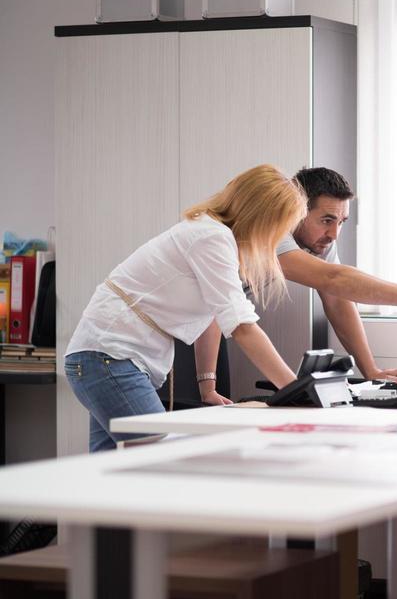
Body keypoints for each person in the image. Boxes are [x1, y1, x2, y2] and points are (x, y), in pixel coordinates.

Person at [65, 164, 304, 451]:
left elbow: (214, 316)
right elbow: (242, 326)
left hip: (104, 357)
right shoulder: (212, 238)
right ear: (264, 219)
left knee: (108, 468)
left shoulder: (211, 234)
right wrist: (296, 392)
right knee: (161, 458)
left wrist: (208, 387)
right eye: (281, 229)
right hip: (109, 357)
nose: (278, 239)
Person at [276, 167, 397, 382]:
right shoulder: (274, 233)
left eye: (341, 222)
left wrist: (371, 371)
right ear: (296, 211)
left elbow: (337, 300)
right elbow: (334, 279)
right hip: (221, 315)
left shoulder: (321, 243)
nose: (334, 234)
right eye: (326, 221)